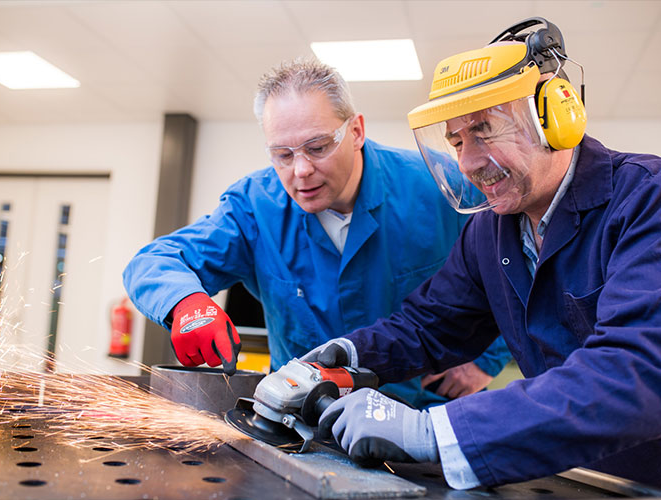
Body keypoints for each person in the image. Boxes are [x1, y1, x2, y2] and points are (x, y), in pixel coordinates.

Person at [306, 17, 661, 489]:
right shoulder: (490, 231)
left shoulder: (645, 201)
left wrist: (436, 431)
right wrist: (340, 359)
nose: (469, 163)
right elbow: (429, 325)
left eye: (485, 131)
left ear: (557, 116)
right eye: (456, 141)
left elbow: (633, 371)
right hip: (572, 477)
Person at [122, 58, 511, 409]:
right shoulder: (256, 206)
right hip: (301, 417)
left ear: (356, 130)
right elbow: (154, 261)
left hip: (420, 412)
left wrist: (487, 359)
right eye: (283, 155)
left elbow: (513, 265)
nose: (300, 171)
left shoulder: (438, 184)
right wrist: (185, 302)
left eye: (318, 147)